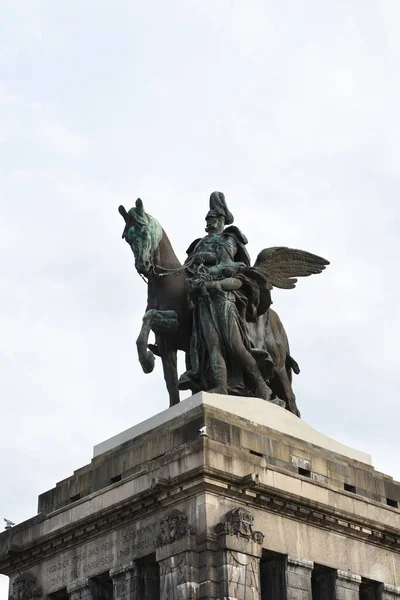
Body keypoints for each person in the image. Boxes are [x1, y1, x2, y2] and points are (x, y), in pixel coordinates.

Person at [178, 191, 273, 400]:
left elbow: (229, 269)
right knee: (212, 345)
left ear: (221, 220)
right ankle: (220, 385)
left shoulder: (229, 239)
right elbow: (187, 268)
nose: (209, 223)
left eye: (213, 219)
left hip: (224, 301)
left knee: (236, 346)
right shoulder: (198, 243)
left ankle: (261, 386)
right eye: (207, 220)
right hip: (203, 301)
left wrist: (212, 280)